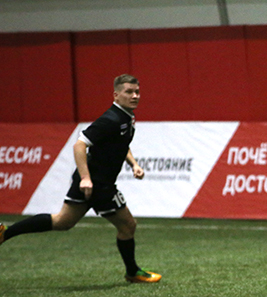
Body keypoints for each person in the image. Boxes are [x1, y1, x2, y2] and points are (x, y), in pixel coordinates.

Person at [0, 74, 161, 284]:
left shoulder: (125, 117)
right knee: (128, 225)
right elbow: (80, 145)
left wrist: (134, 164)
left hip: (94, 182)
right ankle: (133, 272)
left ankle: (5, 232)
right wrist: (86, 178)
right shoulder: (110, 119)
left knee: (63, 221)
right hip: (97, 184)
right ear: (116, 95)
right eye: (129, 92)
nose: (135, 96)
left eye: (137, 92)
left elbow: (121, 144)